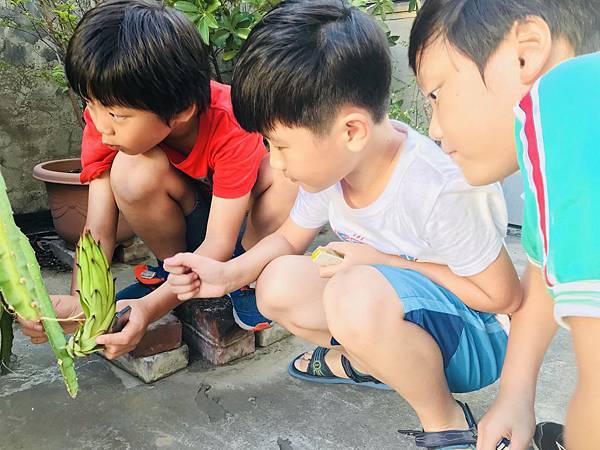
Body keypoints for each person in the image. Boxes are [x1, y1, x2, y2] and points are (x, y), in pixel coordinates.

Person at [163, 2, 522, 448]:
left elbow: (503, 298)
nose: (274, 163)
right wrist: (227, 274)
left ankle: (446, 422)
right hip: (405, 313)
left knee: (354, 292)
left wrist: (382, 261)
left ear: (351, 131)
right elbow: (289, 238)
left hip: (477, 338)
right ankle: (370, 360)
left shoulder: (437, 190)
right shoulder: (336, 169)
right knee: (276, 284)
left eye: (281, 146)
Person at [19, 0, 297, 353]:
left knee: (283, 172)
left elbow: (218, 244)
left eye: (117, 114)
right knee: (131, 170)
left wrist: (148, 310)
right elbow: (98, 229)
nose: (100, 124)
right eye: (90, 103)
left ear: (181, 111)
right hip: (194, 220)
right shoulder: (104, 121)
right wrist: (83, 302)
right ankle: (176, 270)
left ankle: (248, 277)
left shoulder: (232, 122)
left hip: (240, 229)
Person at [407, 1, 600, 449]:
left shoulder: (561, 101)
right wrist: (515, 393)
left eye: (436, 94)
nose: (434, 128)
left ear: (526, 53)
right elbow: (544, 270)